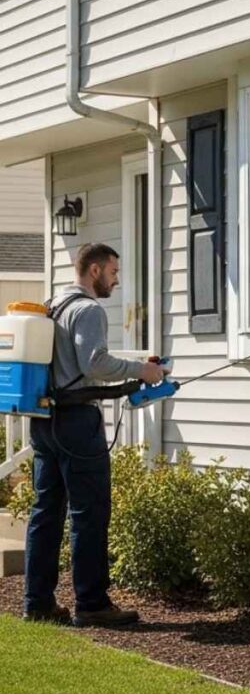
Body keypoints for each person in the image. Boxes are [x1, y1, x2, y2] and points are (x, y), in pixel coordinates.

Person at [23, 243, 165, 627]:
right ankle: (92, 604)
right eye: (114, 272)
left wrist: (130, 368)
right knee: (89, 512)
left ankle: (37, 603)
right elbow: (94, 362)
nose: (116, 280)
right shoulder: (87, 309)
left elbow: (76, 360)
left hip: (45, 420)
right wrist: (142, 370)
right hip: (76, 425)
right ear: (95, 270)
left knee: (45, 512)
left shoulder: (53, 306)